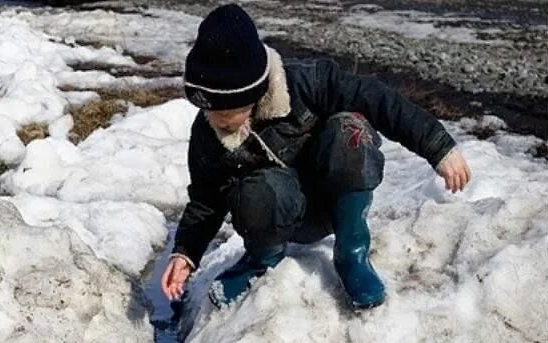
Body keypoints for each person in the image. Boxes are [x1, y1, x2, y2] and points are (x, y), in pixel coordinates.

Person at [161, 3, 471, 309]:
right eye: (208, 109)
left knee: (349, 129)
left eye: (226, 111)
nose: (216, 120)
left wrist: (437, 146)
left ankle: (352, 254)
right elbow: (205, 199)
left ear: (254, 93)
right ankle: (260, 261)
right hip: (275, 219)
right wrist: (185, 253)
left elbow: (380, 100)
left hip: (334, 202)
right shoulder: (208, 132)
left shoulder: (308, 82)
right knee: (257, 188)